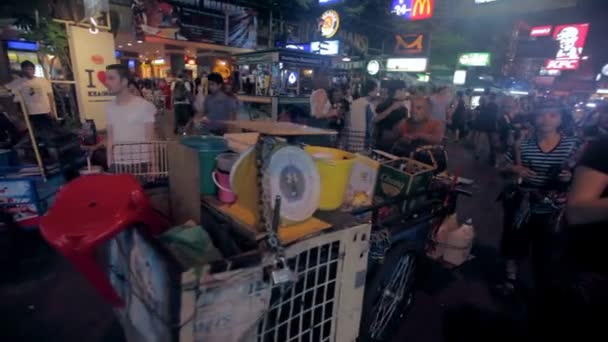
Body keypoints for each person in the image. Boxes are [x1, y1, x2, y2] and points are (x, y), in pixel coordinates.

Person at [497, 105, 581, 297]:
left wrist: (570, 176)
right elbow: (502, 166)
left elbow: (582, 173)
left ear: (561, 120)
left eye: (552, 114)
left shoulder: (571, 145)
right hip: (522, 203)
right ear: (534, 118)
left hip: (553, 207)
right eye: (541, 114)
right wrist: (514, 169)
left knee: (547, 248)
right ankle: (510, 279)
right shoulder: (523, 145)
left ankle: (542, 287)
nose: (546, 119)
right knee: (514, 241)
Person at [85, 64, 156, 170]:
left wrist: (153, 165)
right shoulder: (109, 107)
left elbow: (150, 138)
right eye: (106, 78)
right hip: (117, 163)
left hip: (140, 162)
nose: (107, 82)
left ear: (124, 81)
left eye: (111, 78)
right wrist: (110, 162)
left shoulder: (144, 106)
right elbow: (111, 137)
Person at [8, 61, 56, 134]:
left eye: (30, 69)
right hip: (31, 111)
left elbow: (50, 95)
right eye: (26, 69)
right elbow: (6, 88)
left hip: (45, 110)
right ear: (23, 70)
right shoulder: (19, 82)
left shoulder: (42, 81)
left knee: (49, 129)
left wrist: (52, 109)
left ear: (34, 70)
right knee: (37, 130)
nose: (28, 71)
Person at [373, 81, 409, 151]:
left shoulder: (384, 104)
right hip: (388, 142)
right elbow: (375, 120)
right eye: (404, 90)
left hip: (384, 141)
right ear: (398, 91)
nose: (406, 93)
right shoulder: (392, 106)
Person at [348, 80, 378, 150]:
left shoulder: (354, 103)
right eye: (376, 90)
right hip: (363, 140)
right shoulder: (367, 105)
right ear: (370, 91)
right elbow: (373, 121)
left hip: (352, 139)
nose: (377, 93)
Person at [475, 93, 499, 164]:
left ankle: (477, 154)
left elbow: (480, 114)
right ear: (494, 98)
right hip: (491, 125)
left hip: (484, 124)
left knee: (481, 139)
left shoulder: (485, 105)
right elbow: (496, 116)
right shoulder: (495, 106)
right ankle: (491, 155)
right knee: (492, 141)